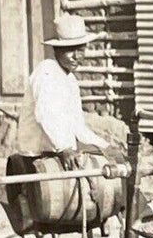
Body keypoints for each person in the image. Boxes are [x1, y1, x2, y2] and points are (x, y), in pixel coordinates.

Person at [18, 13, 110, 169]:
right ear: (57, 50)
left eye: (80, 50)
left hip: (60, 152)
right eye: (70, 50)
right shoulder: (46, 71)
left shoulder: (70, 80)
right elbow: (45, 114)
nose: (76, 57)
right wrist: (63, 147)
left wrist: (104, 146)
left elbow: (77, 126)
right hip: (38, 156)